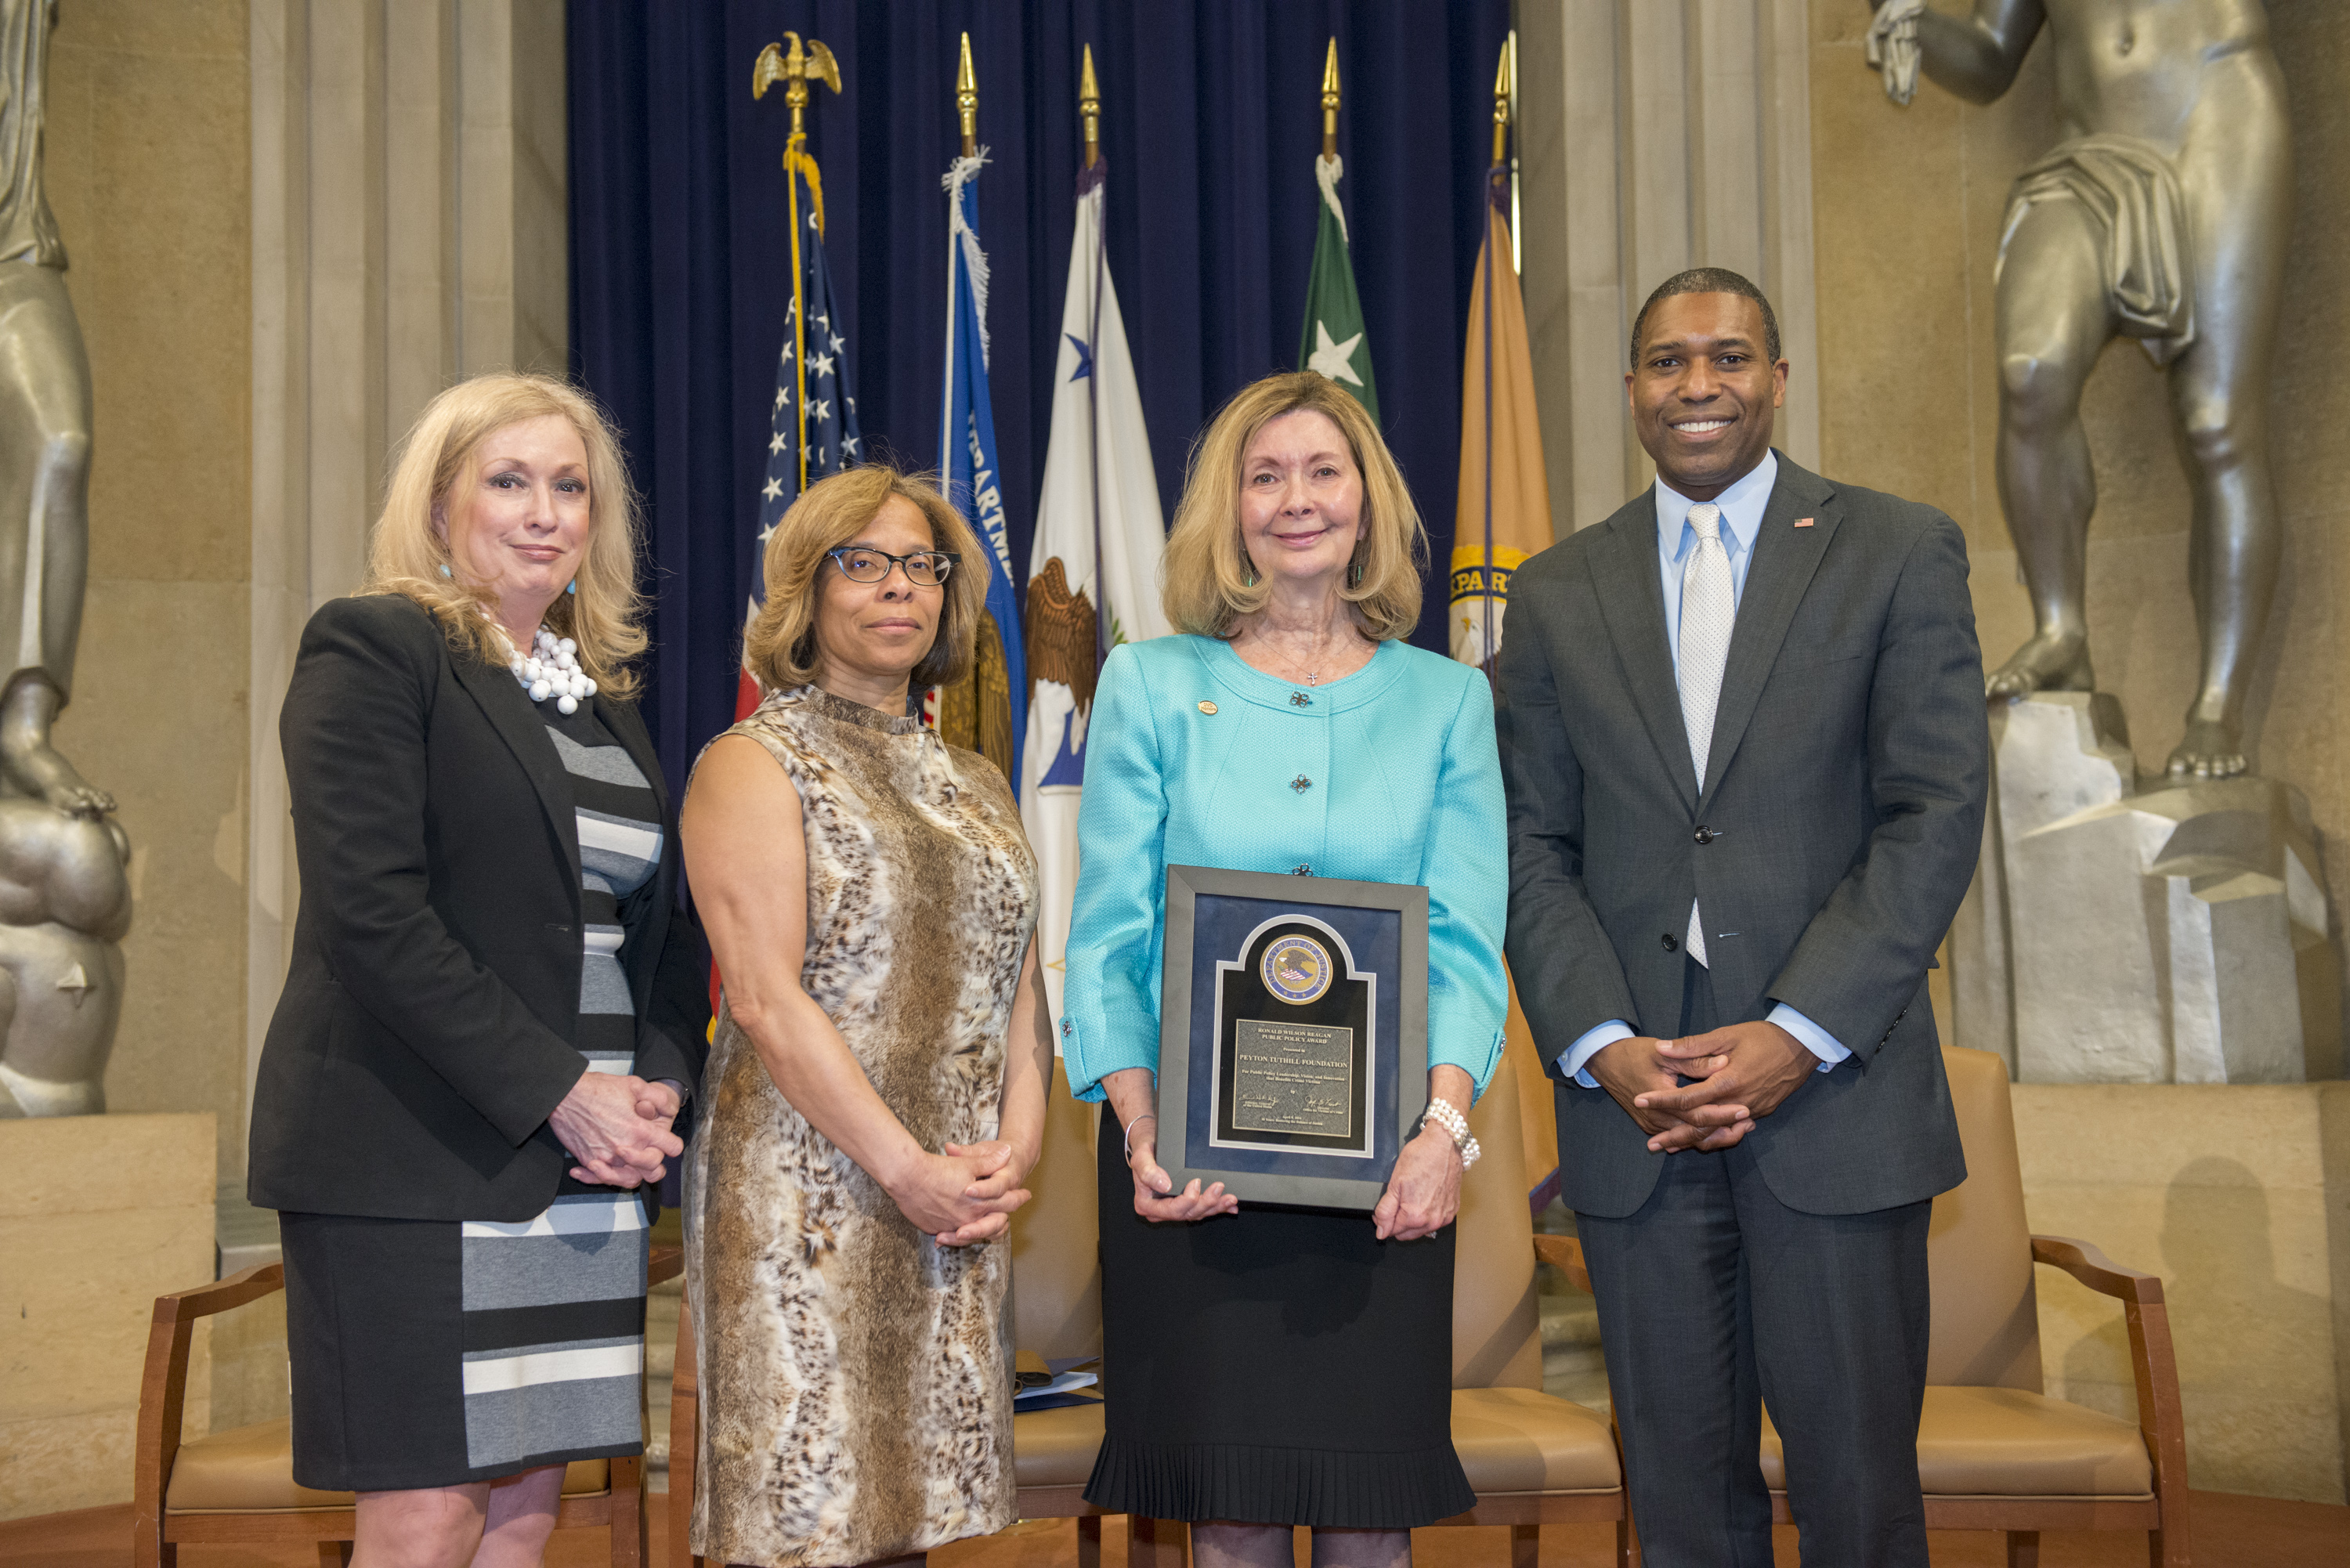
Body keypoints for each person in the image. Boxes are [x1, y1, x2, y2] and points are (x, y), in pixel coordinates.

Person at [1495, 267, 1990, 1566]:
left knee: (1860, 1501)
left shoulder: (1897, 547)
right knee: (1677, 1502)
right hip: (1634, 1118)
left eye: (1727, 358)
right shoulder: (1555, 592)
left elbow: (1933, 814)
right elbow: (1528, 845)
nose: (1697, 386)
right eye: (1667, 362)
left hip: (1836, 1104)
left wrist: (1796, 1032)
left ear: (1778, 375)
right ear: (1630, 390)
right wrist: (1601, 1041)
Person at [248, 372, 710, 1568]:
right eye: (509, 481)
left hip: (586, 1162)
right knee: (430, 1513)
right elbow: (372, 916)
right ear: (443, 502)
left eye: (571, 487)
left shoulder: (595, 700)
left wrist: (654, 1088)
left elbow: (659, 937)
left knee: (523, 1512)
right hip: (417, 1156)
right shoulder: (378, 645)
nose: (543, 511)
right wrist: (564, 1089)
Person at [1061, 371, 1508, 1568]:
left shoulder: (1450, 701)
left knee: (1371, 1524)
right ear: (1231, 508)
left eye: (1323, 472)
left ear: (1367, 503)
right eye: (1266, 476)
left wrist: (1441, 1134)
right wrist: (1146, 1127)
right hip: (1189, 1171)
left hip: (1386, 1175)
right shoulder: (1149, 684)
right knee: (1233, 1516)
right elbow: (1107, 931)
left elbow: (1467, 938)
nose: (1295, 499)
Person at [679, 464, 1052, 1568]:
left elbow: (1020, 990)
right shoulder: (751, 762)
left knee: (909, 1520)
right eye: (864, 561)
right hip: (808, 1196)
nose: (900, 587)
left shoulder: (978, 780)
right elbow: (762, 997)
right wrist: (907, 1168)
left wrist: (1014, 1147)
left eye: (921, 566)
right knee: (811, 1518)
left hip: (955, 1199)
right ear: (808, 588)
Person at [1867, 0, 2291, 779]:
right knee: (2030, 370)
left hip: (2219, 117)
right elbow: (1993, 53)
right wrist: (1906, 17)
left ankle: (2215, 707)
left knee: (2217, 425)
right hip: (2089, 149)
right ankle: (2061, 630)